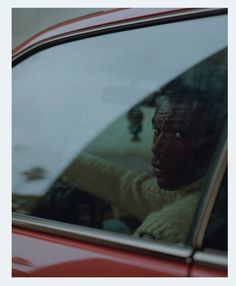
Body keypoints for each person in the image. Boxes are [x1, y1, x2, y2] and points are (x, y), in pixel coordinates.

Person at [64, 93, 225, 243]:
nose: (157, 147)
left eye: (178, 134)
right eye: (157, 130)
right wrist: (60, 162)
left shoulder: (160, 232)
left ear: (216, 142)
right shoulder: (211, 193)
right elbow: (128, 187)